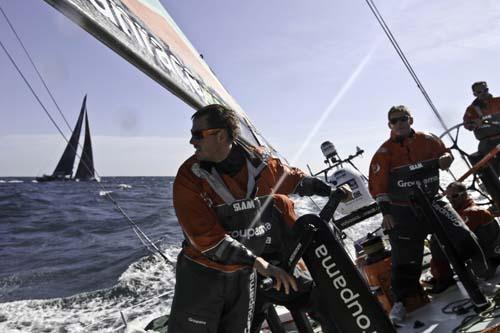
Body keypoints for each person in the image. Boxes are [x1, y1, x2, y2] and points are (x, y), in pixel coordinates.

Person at [168, 104, 347, 333]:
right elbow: (208, 241)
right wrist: (261, 266)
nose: (192, 142)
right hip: (216, 274)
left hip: (267, 267)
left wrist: (330, 190)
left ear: (221, 135)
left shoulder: (262, 164)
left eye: (197, 135)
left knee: (325, 303)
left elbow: (296, 181)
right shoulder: (189, 177)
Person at [368, 105, 454, 324]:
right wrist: (387, 213)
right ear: (389, 125)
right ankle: (400, 303)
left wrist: (447, 158)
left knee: (458, 232)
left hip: (433, 201)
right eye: (394, 121)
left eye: (403, 119)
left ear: (411, 120)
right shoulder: (383, 154)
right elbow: (378, 188)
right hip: (402, 210)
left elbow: (444, 153)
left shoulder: (428, 139)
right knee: (404, 257)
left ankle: (474, 271)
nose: (399, 123)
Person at [427, 181, 500, 291]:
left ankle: (444, 279)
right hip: (488, 262)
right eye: (448, 197)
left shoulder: (471, 213)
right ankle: (441, 277)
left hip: (485, 268)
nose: (451, 200)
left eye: (455, 196)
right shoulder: (469, 212)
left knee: (437, 242)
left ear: (465, 194)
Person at [463, 81, 500, 203]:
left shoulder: (498, 101)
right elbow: (467, 125)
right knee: (486, 169)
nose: (483, 93)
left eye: (485, 90)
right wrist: (473, 123)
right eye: (480, 92)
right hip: (487, 144)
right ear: (474, 93)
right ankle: (497, 200)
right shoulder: (471, 110)